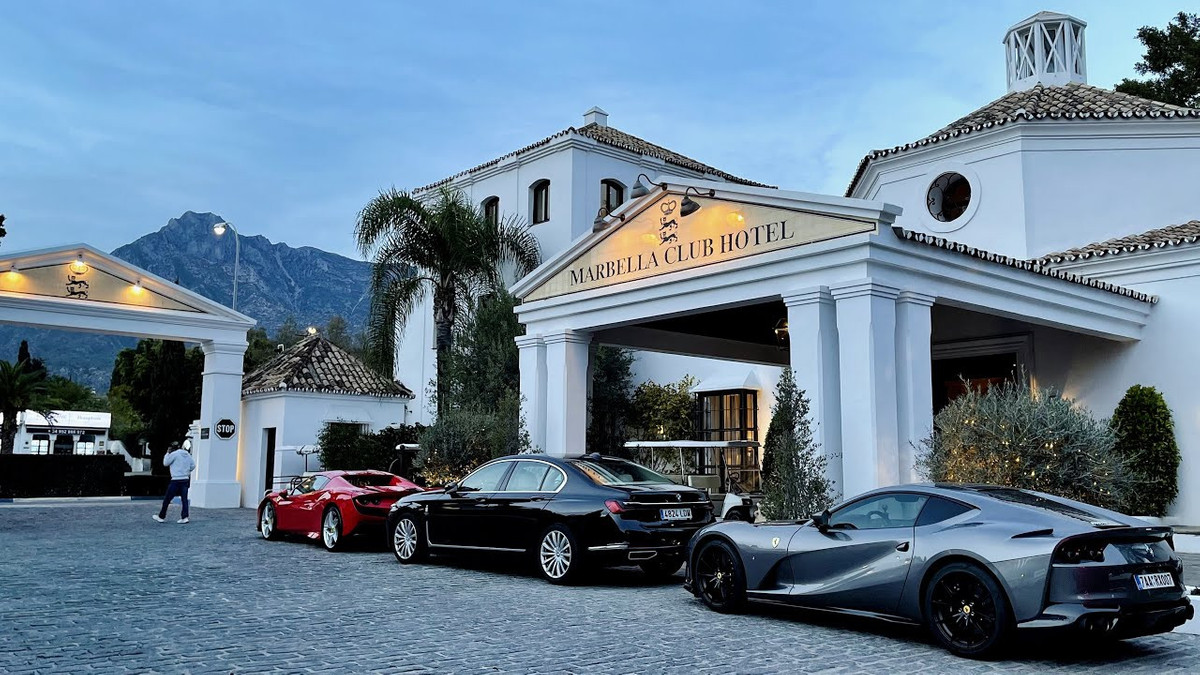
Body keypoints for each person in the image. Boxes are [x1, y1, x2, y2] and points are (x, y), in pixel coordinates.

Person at [154, 441, 196, 524]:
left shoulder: (174, 454)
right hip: (185, 479)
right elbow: (193, 465)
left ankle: (161, 516)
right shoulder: (187, 454)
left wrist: (167, 453)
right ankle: (185, 517)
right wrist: (187, 471)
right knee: (184, 499)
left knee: (167, 499)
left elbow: (165, 463)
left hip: (176, 479)